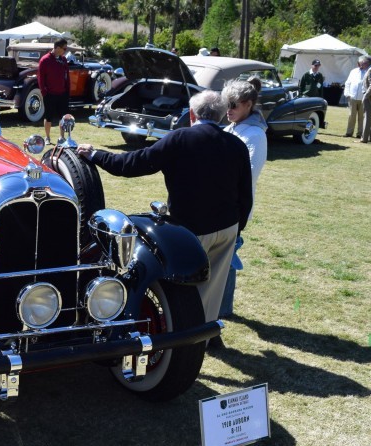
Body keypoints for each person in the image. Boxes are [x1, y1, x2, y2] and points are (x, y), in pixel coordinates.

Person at [76, 90, 252, 338]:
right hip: (227, 225)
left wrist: (95, 155)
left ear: (192, 114)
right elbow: (246, 193)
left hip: (192, 226)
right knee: (214, 286)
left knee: (187, 287)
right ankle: (209, 334)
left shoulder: (180, 138)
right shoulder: (236, 144)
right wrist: (238, 227)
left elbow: (133, 164)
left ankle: (190, 337)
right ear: (222, 115)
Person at [219, 78, 268, 318]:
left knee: (227, 256)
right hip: (221, 202)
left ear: (248, 105)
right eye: (226, 103)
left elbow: (249, 175)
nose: (228, 110)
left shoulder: (255, 135)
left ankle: (223, 310)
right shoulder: (233, 126)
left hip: (235, 205)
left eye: (234, 105)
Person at [37, 38, 70, 144]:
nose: (65, 50)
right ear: (58, 48)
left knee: (63, 117)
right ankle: (47, 137)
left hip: (62, 93)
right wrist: (44, 92)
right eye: (64, 48)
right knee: (48, 116)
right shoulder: (45, 60)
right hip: (49, 93)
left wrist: (67, 90)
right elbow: (41, 78)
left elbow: (67, 76)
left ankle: (61, 137)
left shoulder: (63, 59)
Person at [344, 56, 370, 138]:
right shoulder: (353, 71)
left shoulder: (368, 71)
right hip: (352, 97)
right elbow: (348, 82)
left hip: (363, 98)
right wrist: (347, 94)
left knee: (362, 117)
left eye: (362, 63)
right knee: (351, 115)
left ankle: (360, 133)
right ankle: (349, 132)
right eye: (359, 63)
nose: (360, 64)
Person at [360, 67, 371, 143]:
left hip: (369, 97)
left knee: (367, 117)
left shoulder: (370, 70)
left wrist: (365, 96)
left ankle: (364, 138)